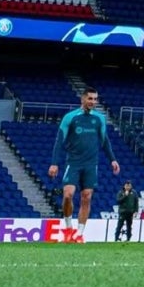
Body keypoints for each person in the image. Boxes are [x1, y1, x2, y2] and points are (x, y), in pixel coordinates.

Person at [46, 90, 121, 235]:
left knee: (86, 197)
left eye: (95, 99)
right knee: (68, 194)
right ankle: (68, 227)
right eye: (90, 98)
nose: (93, 102)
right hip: (73, 163)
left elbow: (105, 141)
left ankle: (79, 233)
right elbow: (59, 141)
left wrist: (113, 159)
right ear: (83, 99)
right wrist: (54, 163)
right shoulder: (70, 117)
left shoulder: (99, 118)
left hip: (91, 164)